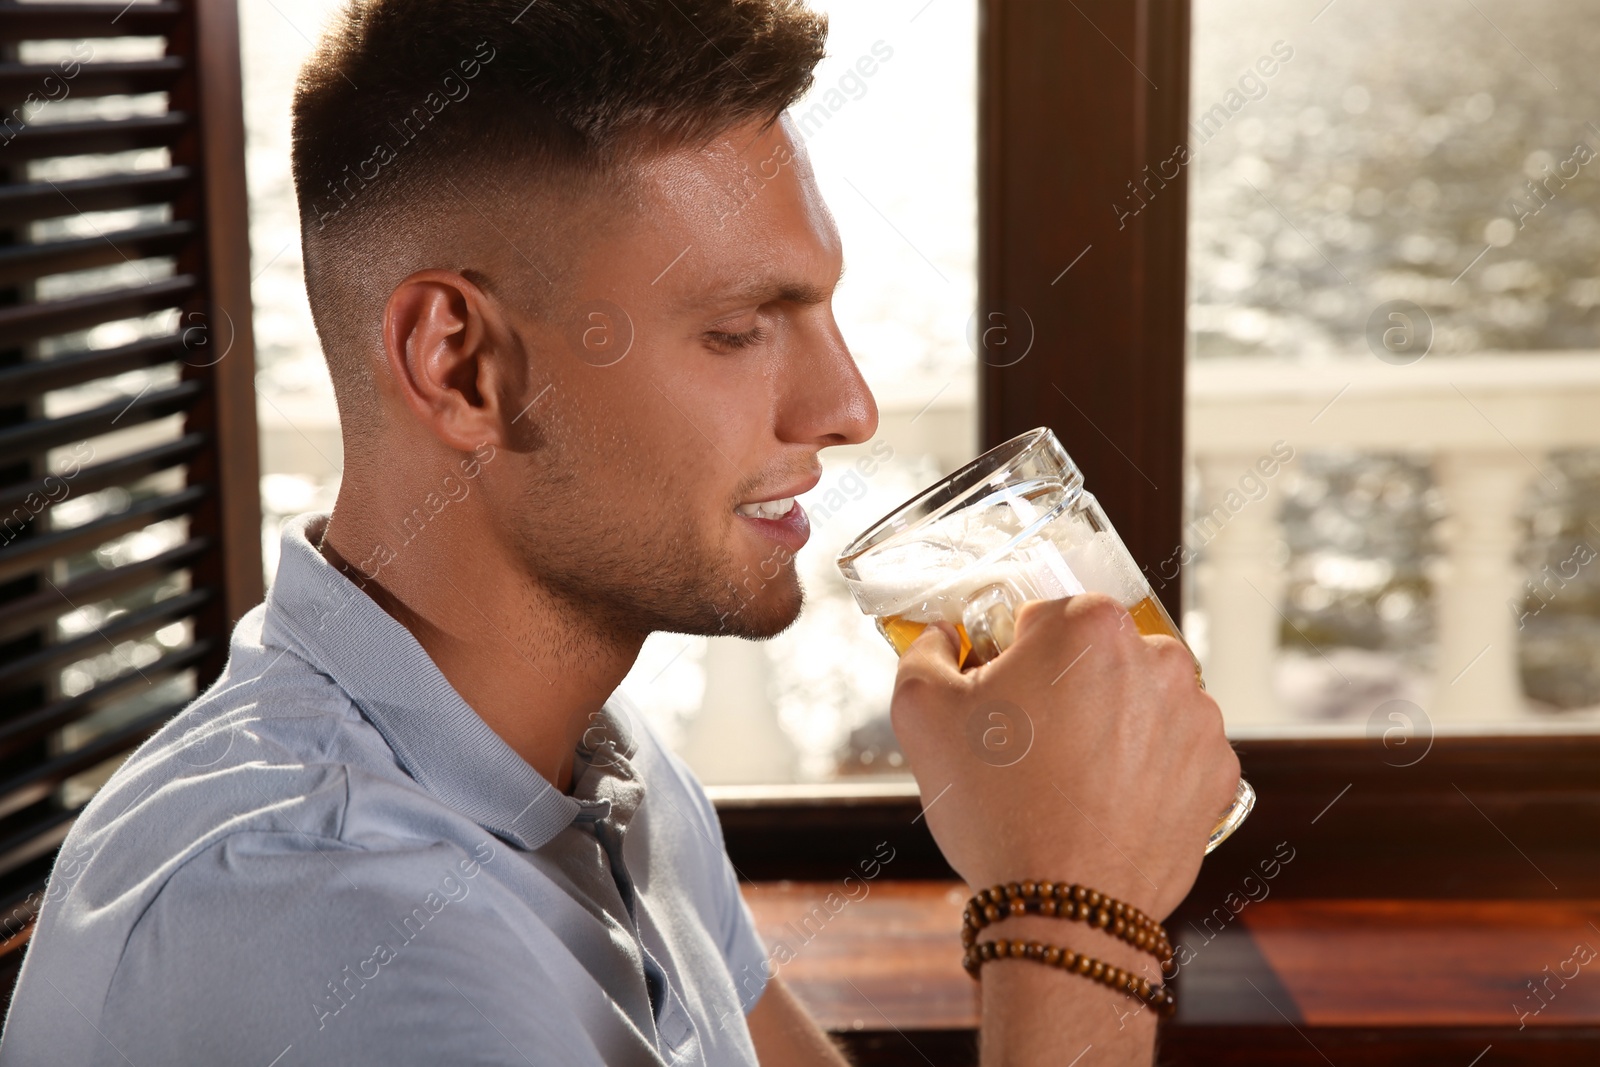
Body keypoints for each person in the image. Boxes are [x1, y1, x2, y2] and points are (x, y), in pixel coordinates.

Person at [0, 1, 1239, 1064]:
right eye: (743, 325)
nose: (846, 406)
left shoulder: (598, 763)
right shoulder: (325, 915)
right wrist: (1072, 907)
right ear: (461, 364)